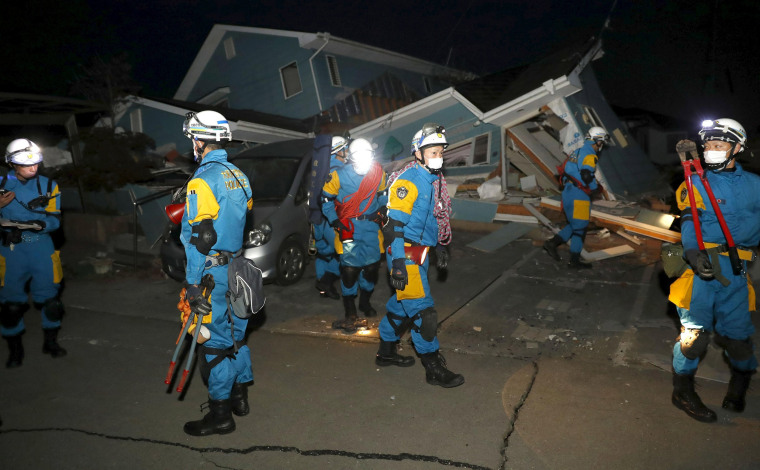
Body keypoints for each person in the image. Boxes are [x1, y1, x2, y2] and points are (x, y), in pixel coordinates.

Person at [668, 118, 758, 422]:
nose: (710, 150)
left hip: (736, 269)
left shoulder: (755, 186)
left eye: (718, 145)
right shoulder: (694, 181)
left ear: (737, 148)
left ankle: (740, 381)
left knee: (738, 337)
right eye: (707, 145)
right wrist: (693, 253)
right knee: (694, 336)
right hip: (701, 267)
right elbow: (690, 221)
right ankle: (682, 391)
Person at [180, 110, 254, 436]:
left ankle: (221, 415)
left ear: (199, 140)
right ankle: (240, 396)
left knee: (212, 344)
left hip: (211, 273)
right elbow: (241, 214)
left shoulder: (201, 180)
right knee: (236, 337)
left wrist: (193, 284)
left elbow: (203, 237)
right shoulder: (239, 174)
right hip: (238, 267)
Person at [375, 123, 463, 388]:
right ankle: (433, 367)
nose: (438, 156)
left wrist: (439, 246)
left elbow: (433, 218)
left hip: (421, 252)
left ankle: (386, 352)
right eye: (432, 151)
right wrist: (399, 263)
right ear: (418, 153)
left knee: (402, 307)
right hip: (405, 253)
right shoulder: (408, 181)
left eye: (440, 151)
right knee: (424, 313)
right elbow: (393, 228)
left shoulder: (433, 179)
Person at [0, 139, 64, 369]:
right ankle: (15, 351)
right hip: (11, 249)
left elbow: (55, 218)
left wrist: (41, 223)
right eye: (26, 164)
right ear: (11, 163)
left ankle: (51, 342)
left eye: (36, 163)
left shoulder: (48, 186)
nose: (33, 168)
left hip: (41, 246)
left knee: (51, 301)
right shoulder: (1, 185)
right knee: (10, 306)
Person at [321, 138, 387, 331]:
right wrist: (334, 220)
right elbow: (325, 199)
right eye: (358, 155)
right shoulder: (337, 175)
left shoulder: (378, 173)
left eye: (367, 155)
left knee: (372, 269)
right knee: (349, 272)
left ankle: (364, 302)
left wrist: (382, 210)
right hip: (347, 227)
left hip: (371, 228)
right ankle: (350, 310)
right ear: (350, 157)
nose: (363, 159)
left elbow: (383, 194)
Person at [543, 126, 610, 268]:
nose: (601, 147)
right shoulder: (590, 154)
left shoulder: (576, 152)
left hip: (567, 193)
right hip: (579, 195)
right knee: (580, 228)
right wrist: (594, 188)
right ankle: (574, 261)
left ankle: (552, 243)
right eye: (601, 143)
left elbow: (569, 171)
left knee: (573, 224)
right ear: (597, 141)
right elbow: (586, 174)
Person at [312, 136, 348, 300]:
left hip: (317, 217)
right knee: (344, 253)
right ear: (339, 150)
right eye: (345, 149)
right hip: (332, 219)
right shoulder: (340, 170)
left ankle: (323, 288)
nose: (346, 152)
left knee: (323, 253)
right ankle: (326, 282)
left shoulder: (321, 167)